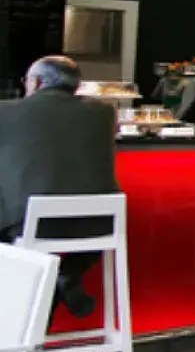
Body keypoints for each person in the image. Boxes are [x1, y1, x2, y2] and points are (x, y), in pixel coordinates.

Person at [0, 56, 120, 316]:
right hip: (99, 225)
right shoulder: (104, 113)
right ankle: (65, 276)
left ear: (36, 82)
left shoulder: (5, 112)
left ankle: (23, 323)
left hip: (30, 225)